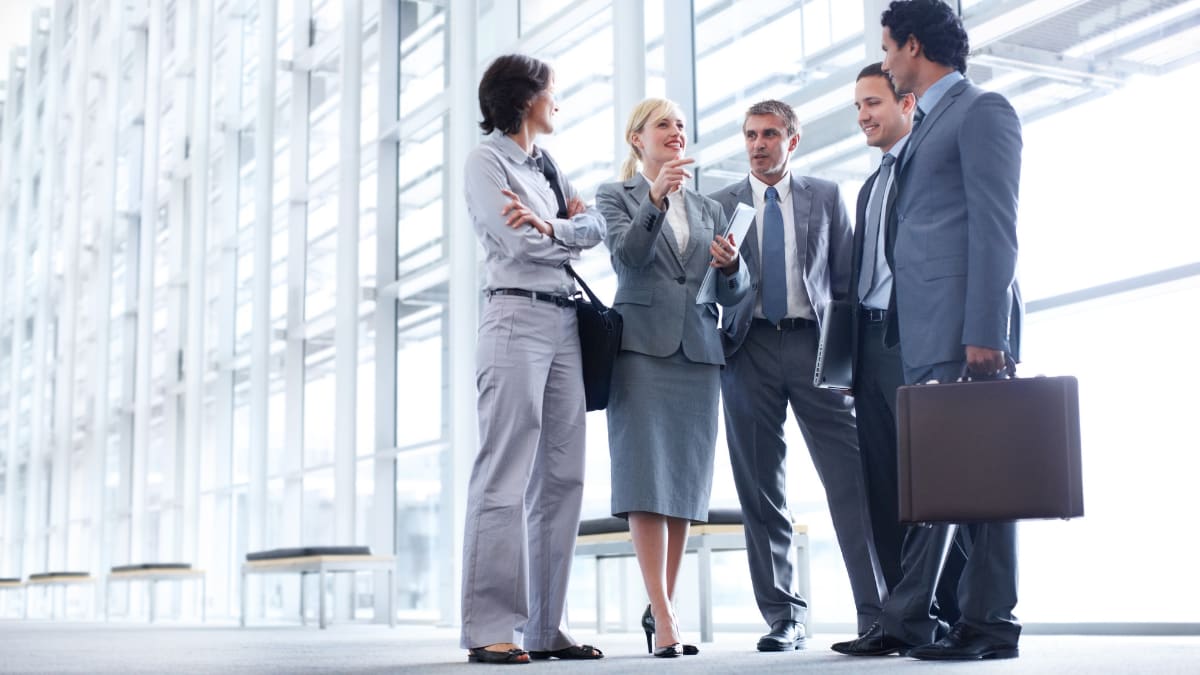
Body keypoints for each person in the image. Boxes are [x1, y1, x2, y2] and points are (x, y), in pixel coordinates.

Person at [834, 0, 1024, 661]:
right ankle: (967, 618)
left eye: (888, 48)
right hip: (926, 334)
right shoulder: (932, 123)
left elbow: (997, 228)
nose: (885, 61)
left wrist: (985, 331)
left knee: (988, 478)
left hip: (966, 332)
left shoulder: (982, 111)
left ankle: (993, 623)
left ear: (913, 47)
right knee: (959, 480)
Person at [710, 100, 883, 652]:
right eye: (749, 136)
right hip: (748, 349)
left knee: (852, 480)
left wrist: (851, 363)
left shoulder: (826, 197)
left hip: (815, 346)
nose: (757, 144)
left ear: (793, 140)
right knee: (762, 490)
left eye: (769, 135)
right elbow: (712, 293)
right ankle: (785, 615)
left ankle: (877, 611)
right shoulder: (722, 205)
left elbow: (846, 282)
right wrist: (729, 270)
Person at [459, 53, 606, 665]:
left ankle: (547, 627)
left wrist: (554, 230)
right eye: (553, 92)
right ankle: (491, 626)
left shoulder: (544, 164)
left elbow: (594, 227)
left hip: (565, 320)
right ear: (526, 100)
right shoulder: (486, 161)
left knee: (564, 478)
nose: (558, 101)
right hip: (514, 317)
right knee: (506, 472)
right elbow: (516, 238)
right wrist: (555, 230)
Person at [596, 97, 749, 658]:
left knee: (683, 486)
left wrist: (732, 265)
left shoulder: (708, 205)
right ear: (638, 138)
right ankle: (663, 614)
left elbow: (733, 293)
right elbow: (627, 256)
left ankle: (664, 603)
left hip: (699, 353)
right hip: (640, 351)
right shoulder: (617, 195)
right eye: (664, 124)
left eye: (681, 124)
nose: (676, 132)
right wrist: (656, 196)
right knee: (645, 481)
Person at [843, 61, 964, 633]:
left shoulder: (925, 172)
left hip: (912, 337)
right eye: (859, 107)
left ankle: (928, 615)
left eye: (874, 103)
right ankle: (904, 616)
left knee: (929, 484)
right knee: (883, 486)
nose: (863, 116)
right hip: (867, 345)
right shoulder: (871, 185)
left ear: (907, 105)